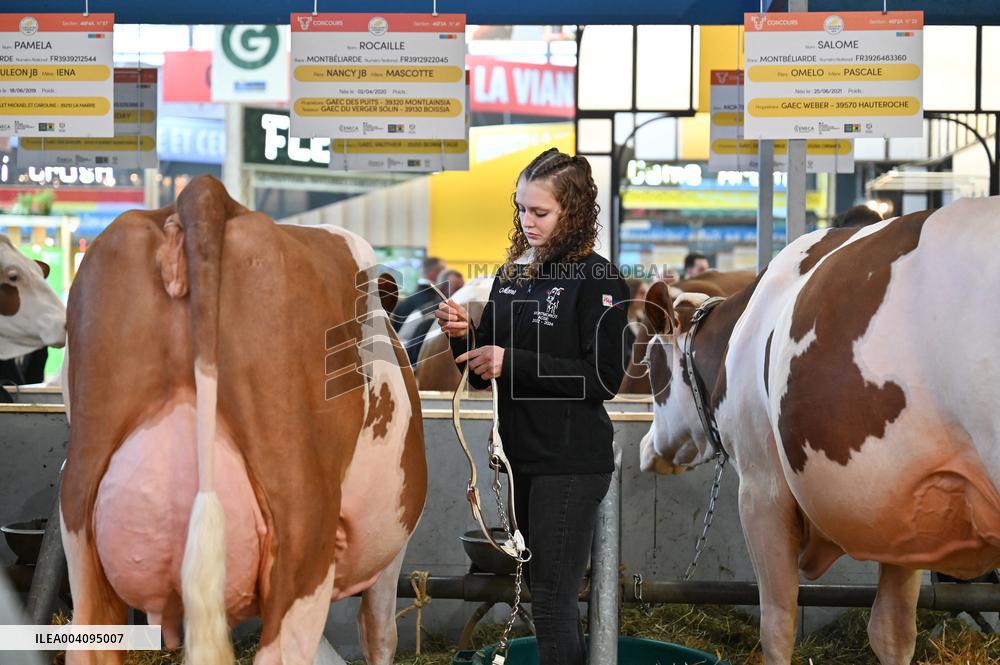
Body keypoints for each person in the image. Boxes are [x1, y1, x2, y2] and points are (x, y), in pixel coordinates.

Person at [435, 148, 630, 665]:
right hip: (521, 459)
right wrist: (463, 336)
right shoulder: (513, 274)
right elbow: (486, 372)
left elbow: (603, 377)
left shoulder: (599, 279)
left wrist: (511, 360)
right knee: (543, 599)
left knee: (551, 600)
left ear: (574, 211)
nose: (527, 220)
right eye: (521, 208)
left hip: (569, 462)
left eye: (540, 211)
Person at [390, 256, 445, 332]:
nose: (445, 276)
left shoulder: (405, 302)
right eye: (443, 272)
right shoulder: (435, 302)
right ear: (433, 273)